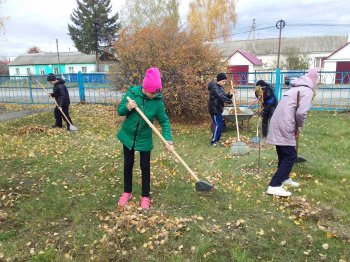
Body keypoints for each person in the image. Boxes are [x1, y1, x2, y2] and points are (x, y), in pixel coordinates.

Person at [116, 67, 174, 209]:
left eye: (156, 93)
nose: (154, 95)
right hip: (128, 136)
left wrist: (168, 139)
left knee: (145, 166)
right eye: (151, 92)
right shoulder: (132, 94)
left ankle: (145, 195)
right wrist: (128, 107)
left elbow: (164, 121)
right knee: (128, 164)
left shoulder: (157, 102)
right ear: (145, 88)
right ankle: (127, 191)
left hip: (144, 138)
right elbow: (120, 111)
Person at [266, 68, 318, 197]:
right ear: (314, 80)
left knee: (283, 153)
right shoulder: (307, 91)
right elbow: (301, 112)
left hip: (277, 122)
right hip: (286, 123)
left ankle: (284, 178)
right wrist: (298, 127)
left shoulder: (294, 88)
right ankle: (274, 185)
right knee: (290, 156)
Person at [208, 73, 233, 146]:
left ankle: (218, 139)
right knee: (217, 125)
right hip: (214, 109)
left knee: (220, 124)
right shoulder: (214, 88)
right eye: (223, 81)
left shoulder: (221, 87)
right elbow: (220, 96)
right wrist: (230, 101)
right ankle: (213, 141)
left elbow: (225, 96)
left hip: (219, 108)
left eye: (225, 81)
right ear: (218, 80)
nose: (224, 83)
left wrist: (230, 94)